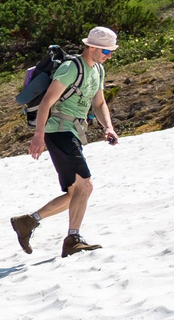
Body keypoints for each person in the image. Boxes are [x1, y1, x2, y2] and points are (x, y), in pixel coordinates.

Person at [11, 25, 121, 258]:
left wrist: (108, 127)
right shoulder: (71, 68)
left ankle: (28, 222)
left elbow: (99, 104)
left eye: (110, 52)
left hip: (73, 131)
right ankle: (72, 239)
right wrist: (38, 135)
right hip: (58, 130)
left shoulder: (98, 70)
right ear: (91, 47)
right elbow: (46, 103)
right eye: (105, 51)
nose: (108, 55)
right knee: (86, 185)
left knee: (76, 194)